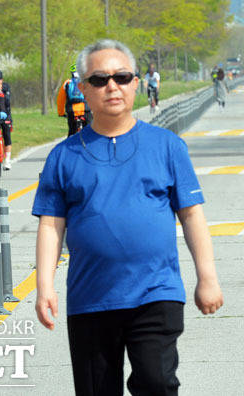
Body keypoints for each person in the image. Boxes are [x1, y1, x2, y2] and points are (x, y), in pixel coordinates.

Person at [32, 39, 223, 396]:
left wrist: (207, 278)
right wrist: (44, 287)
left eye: (121, 76)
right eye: (100, 79)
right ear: (83, 89)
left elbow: (193, 216)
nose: (112, 86)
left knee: (156, 382)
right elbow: (50, 225)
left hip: (156, 293)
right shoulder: (63, 156)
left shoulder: (167, 146)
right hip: (91, 298)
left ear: (136, 83)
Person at [56, 63, 92, 136]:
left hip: (71, 111)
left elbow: (60, 100)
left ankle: (69, 146)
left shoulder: (67, 83)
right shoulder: (87, 82)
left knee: (71, 133)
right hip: (85, 110)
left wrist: (61, 113)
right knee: (91, 133)